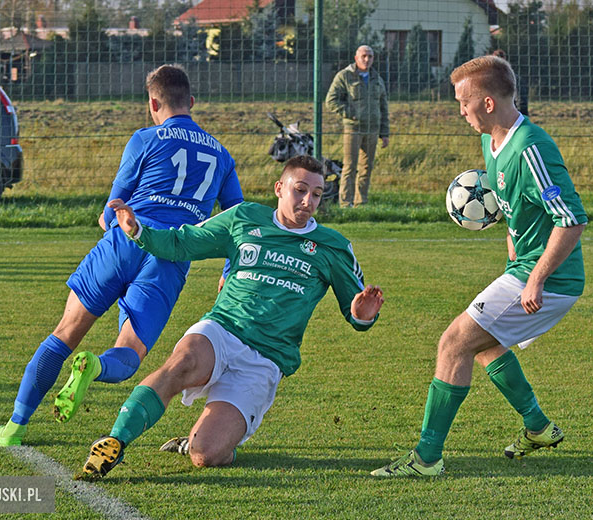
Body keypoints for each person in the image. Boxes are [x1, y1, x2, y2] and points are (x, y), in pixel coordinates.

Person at [79, 155, 384, 478]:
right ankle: (115, 441)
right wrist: (139, 231)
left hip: (266, 358)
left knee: (206, 454)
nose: (308, 201)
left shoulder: (332, 247)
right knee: (181, 362)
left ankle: (203, 442)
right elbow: (184, 242)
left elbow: (357, 310)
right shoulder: (244, 218)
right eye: (300, 190)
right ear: (279, 189)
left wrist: (361, 314)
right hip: (222, 329)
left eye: (317, 194)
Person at [0, 65, 244, 447]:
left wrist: (111, 227)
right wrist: (229, 267)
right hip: (171, 256)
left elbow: (112, 209)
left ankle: (15, 426)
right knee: (129, 353)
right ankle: (95, 367)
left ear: (153, 103)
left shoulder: (145, 138)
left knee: (64, 334)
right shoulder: (222, 155)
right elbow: (235, 220)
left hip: (126, 239)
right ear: (191, 103)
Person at [371, 55, 587, 477]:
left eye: (463, 102)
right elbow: (521, 205)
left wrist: (536, 281)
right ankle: (539, 426)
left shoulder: (530, 149)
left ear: (487, 103)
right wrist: (511, 233)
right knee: (486, 346)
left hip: (550, 278)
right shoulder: (492, 143)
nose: (460, 112)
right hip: (524, 265)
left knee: (453, 343)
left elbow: (571, 219)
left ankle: (427, 458)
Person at [325, 45, 390, 208]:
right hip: (353, 129)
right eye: (363, 56)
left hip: (373, 129)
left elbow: (384, 107)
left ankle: (361, 203)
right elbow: (331, 101)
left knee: (367, 167)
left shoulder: (377, 79)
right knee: (350, 166)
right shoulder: (345, 76)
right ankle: (346, 203)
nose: (367, 60)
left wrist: (385, 133)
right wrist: (350, 113)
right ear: (356, 58)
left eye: (370, 56)